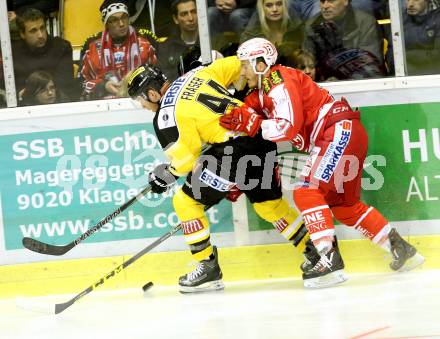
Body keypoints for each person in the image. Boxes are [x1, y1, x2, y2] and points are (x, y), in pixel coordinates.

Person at [219, 38, 425, 287]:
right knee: (344, 206)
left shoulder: (279, 81)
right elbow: (245, 124)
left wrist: (253, 124)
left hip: (337, 130)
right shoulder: (261, 94)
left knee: (306, 190)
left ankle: (328, 259)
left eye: (244, 66)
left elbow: (286, 127)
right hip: (344, 132)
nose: (241, 72)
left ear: (260, 64)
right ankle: (400, 248)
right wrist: (233, 169)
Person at [126, 60, 313, 293]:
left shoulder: (165, 116)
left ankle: (207, 267)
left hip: (232, 152)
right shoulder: (197, 74)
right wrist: (243, 93)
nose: (143, 106)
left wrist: (165, 176)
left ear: (152, 93)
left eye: (140, 101)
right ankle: (314, 252)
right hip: (259, 136)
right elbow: (241, 65)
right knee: (269, 205)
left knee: (185, 201)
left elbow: (185, 162)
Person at [79, 0, 157, 100]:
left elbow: (160, 77)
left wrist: (138, 79)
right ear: (106, 24)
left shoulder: (146, 43)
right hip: (103, 106)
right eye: (114, 20)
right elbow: (80, 84)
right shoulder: (91, 48)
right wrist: (103, 86)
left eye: (124, 17)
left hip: (141, 103)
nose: (121, 24)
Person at [302, 0, 386, 80]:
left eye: (331, 1)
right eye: (322, 1)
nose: (325, 6)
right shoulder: (312, 25)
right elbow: (308, 63)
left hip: (362, 83)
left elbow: (372, 68)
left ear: (346, 1)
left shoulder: (366, 23)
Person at [12, 7, 75, 101]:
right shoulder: (13, 52)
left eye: (42, 28)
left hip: (57, 103)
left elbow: (65, 85)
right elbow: (14, 89)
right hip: (26, 107)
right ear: (22, 34)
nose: (40, 35)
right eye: (33, 31)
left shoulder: (61, 47)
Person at [387, 0, 440, 75]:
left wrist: (405, 57)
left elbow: (437, 57)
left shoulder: (437, 18)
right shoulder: (399, 18)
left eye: (416, 0)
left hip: (432, 77)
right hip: (404, 77)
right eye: (407, 0)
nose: (410, 4)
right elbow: (391, 54)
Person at [156, 0, 200, 81]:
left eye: (193, 12)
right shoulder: (165, 47)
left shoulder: (211, 41)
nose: (191, 18)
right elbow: (166, 80)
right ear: (176, 19)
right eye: (184, 14)